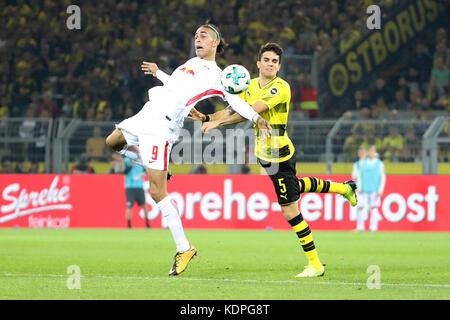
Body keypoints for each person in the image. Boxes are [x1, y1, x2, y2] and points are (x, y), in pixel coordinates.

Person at [105, 22, 272, 276]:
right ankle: (153, 165)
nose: (198, 38)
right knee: (113, 142)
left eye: (203, 35)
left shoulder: (218, 75)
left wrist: (256, 118)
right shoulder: (191, 63)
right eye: (195, 35)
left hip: (162, 127)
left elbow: (236, 100)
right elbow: (175, 86)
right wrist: (159, 72)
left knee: (157, 191)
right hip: (148, 113)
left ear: (215, 42)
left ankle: (184, 247)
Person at [191, 42, 358, 278]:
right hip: (265, 155)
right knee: (295, 187)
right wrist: (207, 116)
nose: (270, 64)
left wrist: (217, 123)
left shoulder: (281, 88)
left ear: (279, 67)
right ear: (258, 63)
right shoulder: (247, 85)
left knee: (290, 211)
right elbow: (232, 108)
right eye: (266, 60)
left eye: (275, 61)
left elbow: (251, 111)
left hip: (279, 154)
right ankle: (344, 188)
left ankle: (316, 264)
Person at [357, 145, 386, 232]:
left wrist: (380, 190)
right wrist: (359, 187)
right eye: (369, 151)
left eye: (372, 151)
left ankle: (373, 227)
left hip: (374, 190)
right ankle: (360, 227)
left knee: (374, 208)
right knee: (361, 207)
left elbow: (383, 177)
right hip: (364, 189)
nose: (371, 153)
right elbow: (359, 176)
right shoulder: (363, 163)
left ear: (375, 152)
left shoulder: (379, 163)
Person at [122, 157, 151, 229]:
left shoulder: (141, 159)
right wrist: (131, 165)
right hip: (130, 187)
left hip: (139, 186)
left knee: (144, 205)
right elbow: (124, 171)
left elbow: (146, 170)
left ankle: (147, 223)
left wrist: (143, 173)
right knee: (129, 206)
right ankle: (129, 225)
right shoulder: (126, 160)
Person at [352, 145, 367, 232]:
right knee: (359, 207)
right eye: (360, 152)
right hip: (360, 189)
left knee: (371, 207)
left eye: (363, 152)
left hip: (369, 189)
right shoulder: (356, 164)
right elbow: (354, 178)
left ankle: (373, 227)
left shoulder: (370, 164)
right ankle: (360, 227)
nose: (361, 154)